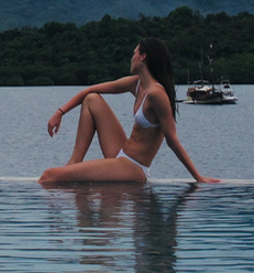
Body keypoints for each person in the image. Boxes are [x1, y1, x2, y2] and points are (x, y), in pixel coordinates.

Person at [39, 37, 219, 184]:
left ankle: (68, 174)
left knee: (49, 176)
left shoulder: (157, 94)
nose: (131, 58)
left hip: (134, 167)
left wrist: (199, 178)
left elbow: (172, 141)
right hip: (121, 153)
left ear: (142, 58)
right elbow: (90, 89)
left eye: (134, 54)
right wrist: (60, 112)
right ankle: (73, 164)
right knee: (92, 99)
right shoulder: (137, 83)